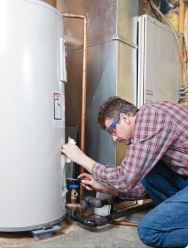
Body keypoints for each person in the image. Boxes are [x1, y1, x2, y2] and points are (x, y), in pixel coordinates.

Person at [62, 96, 188, 248]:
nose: (114, 138)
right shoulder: (148, 128)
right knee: (148, 171)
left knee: (149, 231)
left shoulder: (151, 117)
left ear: (124, 118)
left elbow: (125, 179)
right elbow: (143, 186)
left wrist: (81, 159)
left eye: (113, 130)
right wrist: (109, 189)